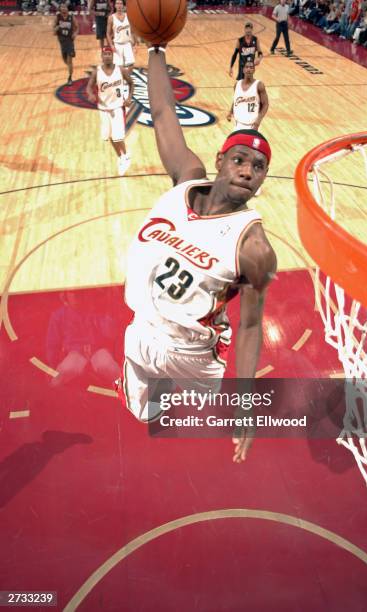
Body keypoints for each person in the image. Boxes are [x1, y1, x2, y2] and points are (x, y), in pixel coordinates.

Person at [119, 45, 277, 464]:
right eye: (240, 160)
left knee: (199, 431)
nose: (247, 171)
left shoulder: (254, 246)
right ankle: (150, 392)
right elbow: (164, 111)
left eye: (258, 167)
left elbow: (250, 326)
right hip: (144, 330)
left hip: (195, 353)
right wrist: (155, 46)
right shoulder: (185, 180)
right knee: (141, 413)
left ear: (263, 179)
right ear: (220, 160)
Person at [86, 46, 134, 176]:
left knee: (118, 136)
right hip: (103, 108)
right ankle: (120, 156)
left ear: (112, 56)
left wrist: (129, 98)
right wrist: (90, 94)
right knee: (109, 136)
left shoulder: (121, 70)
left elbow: (131, 83)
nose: (107, 56)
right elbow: (89, 87)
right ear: (101, 56)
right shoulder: (97, 72)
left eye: (109, 54)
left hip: (117, 107)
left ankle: (125, 157)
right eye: (105, 54)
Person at [227, 59, 269, 131]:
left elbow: (265, 104)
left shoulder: (259, 85)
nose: (249, 69)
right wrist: (230, 112)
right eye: (247, 67)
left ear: (254, 70)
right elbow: (236, 99)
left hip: (253, 126)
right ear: (243, 70)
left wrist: (257, 122)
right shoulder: (237, 84)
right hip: (238, 125)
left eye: (251, 67)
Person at [54, 3, 78, 85]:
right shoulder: (58, 17)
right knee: (64, 60)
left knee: (69, 60)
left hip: (69, 41)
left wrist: (75, 33)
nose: (63, 9)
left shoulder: (71, 17)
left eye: (65, 7)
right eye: (62, 7)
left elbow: (77, 27)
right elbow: (53, 30)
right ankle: (70, 68)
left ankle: (70, 77)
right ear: (60, 9)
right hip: (61, 41)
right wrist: (57, 28)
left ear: (67, 9)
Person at [107, 0, 136, 68]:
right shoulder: (111, 18)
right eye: (117, 3)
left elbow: (132, 31)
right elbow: (108, 33)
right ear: (115, 5)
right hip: (117, 45)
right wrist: (111, 45)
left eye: (121, 3)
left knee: (130, 66)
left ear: (123, 5)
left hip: (127, 44)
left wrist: (134, 43)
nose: (119, 5)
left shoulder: (128, 15)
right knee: (118, 67)